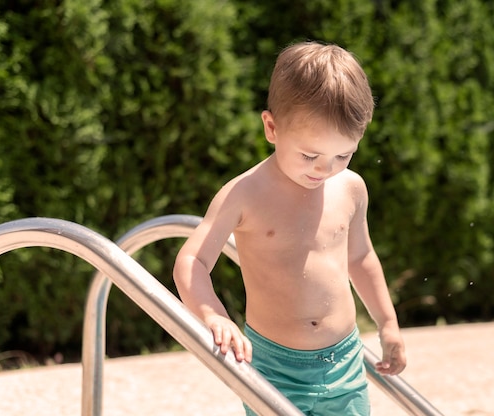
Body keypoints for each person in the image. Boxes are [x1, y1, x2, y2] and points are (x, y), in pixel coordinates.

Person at [173, 40, 406, 415]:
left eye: (343, 155)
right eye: (310, 155)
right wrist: (213, 315)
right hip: (273, 366)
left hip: (344, 360)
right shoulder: (245, 194)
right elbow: (192, 261)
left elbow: (361, 258)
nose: (324, 169)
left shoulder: (350, 188)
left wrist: (388, 324)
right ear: (271, 127)